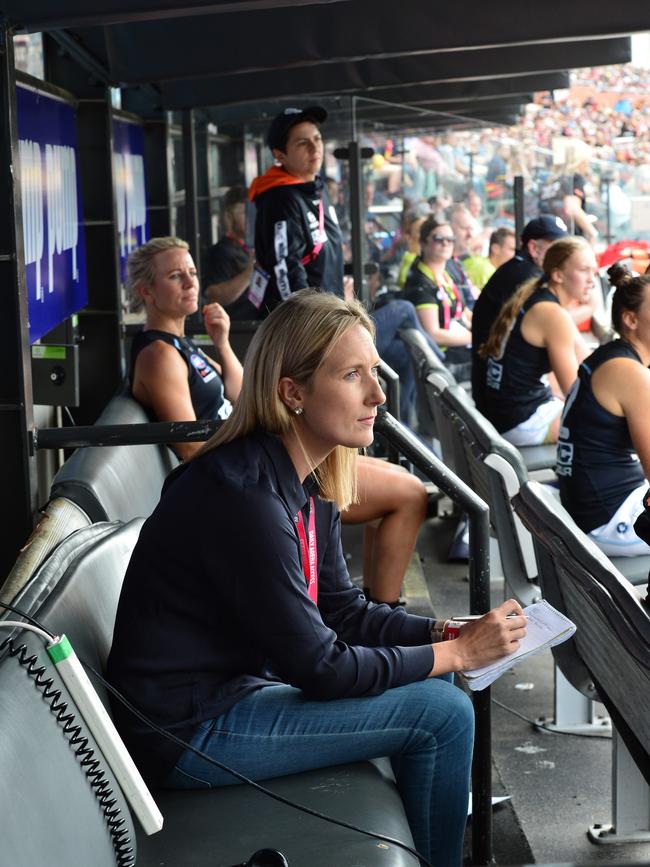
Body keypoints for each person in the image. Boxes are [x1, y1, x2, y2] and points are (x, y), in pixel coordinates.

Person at [107, 289, 527, 867]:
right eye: (354, 375)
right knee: (442, 711)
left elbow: (343, 611)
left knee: (441, 688)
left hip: (233, 696)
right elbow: (322, 667)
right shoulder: (243, 498)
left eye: (374, 372)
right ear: (292, 392)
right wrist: (457, 656)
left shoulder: (311, 473)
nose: (378, 394)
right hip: (187, 733)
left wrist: (439, 634)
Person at [557, 263, 650, 556]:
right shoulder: (628, 371)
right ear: (631, 320)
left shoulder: (614, 355)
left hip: (595, 502)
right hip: (607, 518)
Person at [127, 236, 243, 461]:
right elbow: (191, 448)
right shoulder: (159, 354)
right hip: (224, 476)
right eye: (175, 276)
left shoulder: (179, 342)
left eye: (193, 272)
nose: (190, 283)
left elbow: (240, 394)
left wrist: (222, 342)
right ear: (147, 291)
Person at [476, 237, 596, 446]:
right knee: (612, 427)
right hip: (521, 422)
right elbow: (575, 392)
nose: (591, 280)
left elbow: (588, 361)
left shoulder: (540, 298)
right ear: (558, 275)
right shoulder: (552, 314)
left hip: (506, 413)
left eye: (594, 271)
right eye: (584, 270)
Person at [248, 105, 345, 314]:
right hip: (307, 325)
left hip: (330, 313)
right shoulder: (280, 198)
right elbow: (286, 268)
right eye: (302, 143)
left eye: (317, 138)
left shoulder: (317, 186)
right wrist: (308, 320)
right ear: (280, 155)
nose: (314, 147)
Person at [471, 214, 569, 402]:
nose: (563, 254)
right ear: (533, 248)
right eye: (557, 247)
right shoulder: (526, 277)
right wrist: (591, 306)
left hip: (495, 389)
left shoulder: (518, 268)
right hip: (500, 396)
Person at [402, 218, 473, 380]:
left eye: (450, 239)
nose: (446, 244)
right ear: (423, 243)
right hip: (445, 360)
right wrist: (477, 337)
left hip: (461, 347)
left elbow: (463, 312)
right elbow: (433, 334)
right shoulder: (420, 281)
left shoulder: (446, 273)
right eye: (439, 239)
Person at [202, 186, 259, 321]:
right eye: (244, 212)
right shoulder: (222, 252)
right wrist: (250, 272)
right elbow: (213, 296)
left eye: (252, 212)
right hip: (236, 328)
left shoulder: (249, 247)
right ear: (228, 216)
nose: (250, 218)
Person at [464, 227, 516, 292]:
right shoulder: (483, 269)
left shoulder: (482, 264)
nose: (516, 255)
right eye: (512, 249)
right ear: (495, 249)